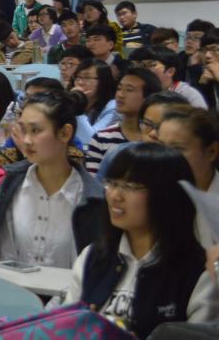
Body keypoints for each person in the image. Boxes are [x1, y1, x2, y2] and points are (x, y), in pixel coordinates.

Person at [63, 143, 219, 336]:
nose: (115, 196)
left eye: (130, 186)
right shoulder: (92, 257)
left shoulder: (198, 273)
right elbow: (65, 328)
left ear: (166, 195)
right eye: (112, 183)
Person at [0, 91, 106, 267]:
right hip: (14, 283)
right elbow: (4, 257)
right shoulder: (11, 185)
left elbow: (90, 270)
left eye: (35, 130)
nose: (26, 140)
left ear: (65, 133)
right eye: (23, 130)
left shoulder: (91, 198)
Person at [157, 107, 219, 245]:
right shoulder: (150, 194)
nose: (165, 156)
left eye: (178, 149)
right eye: (161, 147)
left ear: (211, 152)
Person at [86, 68, 162, 174]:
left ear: (148, 97)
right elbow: (94, 181)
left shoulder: (158, 137)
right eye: (119, 88)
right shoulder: (102, 138)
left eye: (129, 90)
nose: (120, 95)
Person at [129, 46, 207, 109]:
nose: (145, 69)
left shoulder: (188, 94)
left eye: (152, 65)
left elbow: (202, 122)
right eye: (143, 65)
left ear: (170, 71)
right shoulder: (140, 92)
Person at [70, 59, 119, 142]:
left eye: (87, 77)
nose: (80, 82)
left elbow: (92, 141)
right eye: (78, 77)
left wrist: (78, 111)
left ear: (103, 81)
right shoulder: (72, 101)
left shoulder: (112, 107)